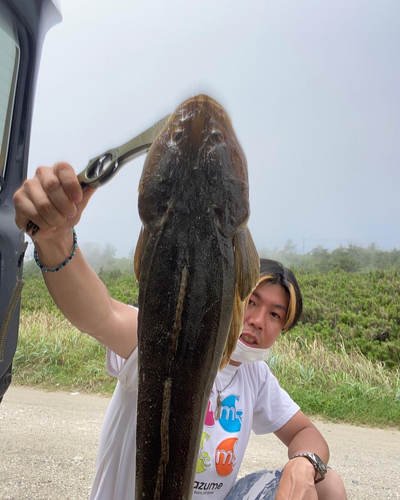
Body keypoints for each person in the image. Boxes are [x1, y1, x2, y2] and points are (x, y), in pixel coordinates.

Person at [13, 162, 347, 500]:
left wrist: (304, 463)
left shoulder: (254, 377)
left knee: (326, 482)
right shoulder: (164, 337)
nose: (259, 320)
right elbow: (100, 315)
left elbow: (306, 431)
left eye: (275, 314)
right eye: (252, 302)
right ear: (231, 292)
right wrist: (55, 240)